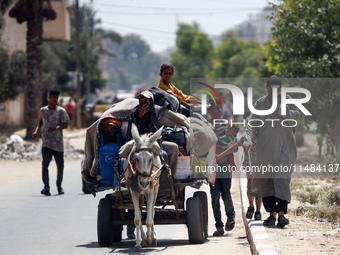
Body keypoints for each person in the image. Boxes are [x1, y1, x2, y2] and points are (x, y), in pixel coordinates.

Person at [243, 75, 300, 228]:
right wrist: (248, 139)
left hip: (286, 148)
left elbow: (294, 118)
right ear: (267, 88)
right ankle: (272, 216)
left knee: (282, 178)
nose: (274, 91)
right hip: (265, 148)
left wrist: (282, 106)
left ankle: (282, 215)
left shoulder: (288, 101)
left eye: (277, 89)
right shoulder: (260, 103)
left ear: (280, 89)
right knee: (267, 180)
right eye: (271, 88)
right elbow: (252, 124)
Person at [126, 90, 179, 239]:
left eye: (146, 101)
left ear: (150, 101)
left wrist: (151, 135)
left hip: (151, 143)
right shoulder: (134, 112)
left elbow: (156, 129)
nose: (144, 103)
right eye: (142, 100)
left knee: (166, 152)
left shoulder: (154, 113)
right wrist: (140, 116)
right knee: (125, 157)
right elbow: (130, 130)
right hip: (136, 142)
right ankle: (127, 180)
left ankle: (170, 178)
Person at [33, 89, 70, 196]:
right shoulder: (43, 110)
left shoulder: (61, 111)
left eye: (56, 97)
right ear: (49, 98)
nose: (55, 99)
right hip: (46, 142)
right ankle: (46, 187)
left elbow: (66, 125)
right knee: (45, 164)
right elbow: (40, 122)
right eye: (53, 97)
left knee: (60, 166)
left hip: (58, 143)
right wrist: (36, 131)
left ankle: (59, 186)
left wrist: (56, 128)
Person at [207, 100, 235, 236]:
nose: (219, 110)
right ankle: (219, 226)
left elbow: (234, 145)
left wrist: (222, 154)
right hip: (211, 166)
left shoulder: (226, 126)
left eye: (220, 108)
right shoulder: (205, 127)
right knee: (214, 197)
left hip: (224, 165)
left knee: (226, 194)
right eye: (216, 108)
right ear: (209, 111)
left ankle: (230, 215)